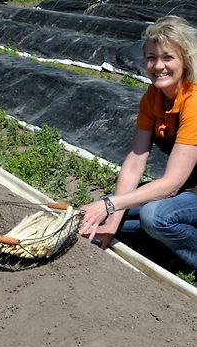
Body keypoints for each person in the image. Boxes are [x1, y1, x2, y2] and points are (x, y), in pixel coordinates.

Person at [79, 15, 197, 269]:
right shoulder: (153, 97)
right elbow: (135, 162)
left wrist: (111, 205)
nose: (158, 66)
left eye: (168, 58)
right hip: (187, 190)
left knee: (154, 216)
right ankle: (167, 239)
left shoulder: (194, 101)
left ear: (185, 61)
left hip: (186, 189)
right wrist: (111, 215)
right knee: (103, 215)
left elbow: (171, 183)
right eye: (152, 58)